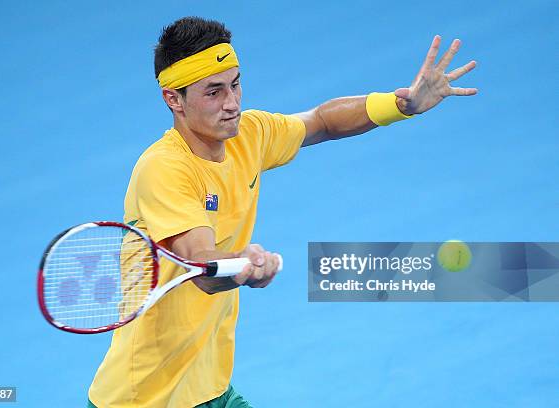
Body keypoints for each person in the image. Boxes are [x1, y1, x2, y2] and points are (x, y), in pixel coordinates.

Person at [88, 16, 477, 408]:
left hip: (209, 388)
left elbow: (322, 121)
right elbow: (200, 267)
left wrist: (401, 104)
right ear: (174, 99)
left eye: (236, 84)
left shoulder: (249, 135)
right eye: (213, 92)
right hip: (143, 400)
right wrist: (241, 263)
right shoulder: (164, 169)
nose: (232, 103)